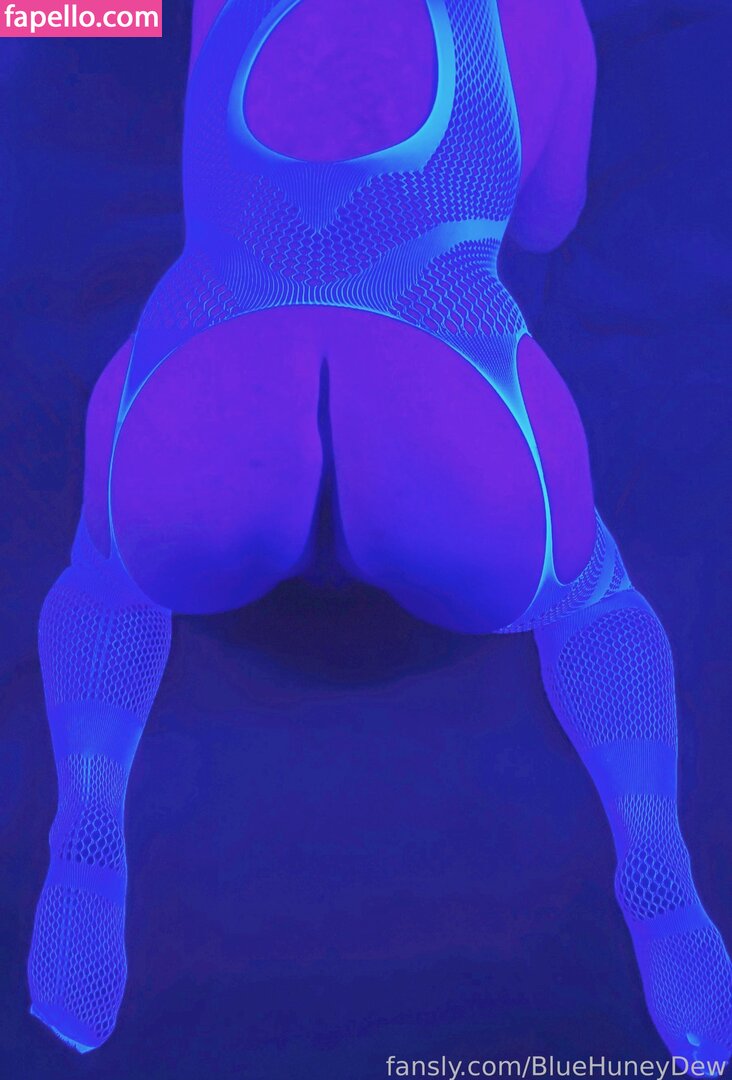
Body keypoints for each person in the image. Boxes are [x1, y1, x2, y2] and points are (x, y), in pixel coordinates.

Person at [27, 0, 732, 1062]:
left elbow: (73, 21)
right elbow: (549, 222)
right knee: (595, 602)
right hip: (453, 424)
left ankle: (85, 838)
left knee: (106, 579)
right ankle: (659, 876)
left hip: (205, 406)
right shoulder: (542, 16)